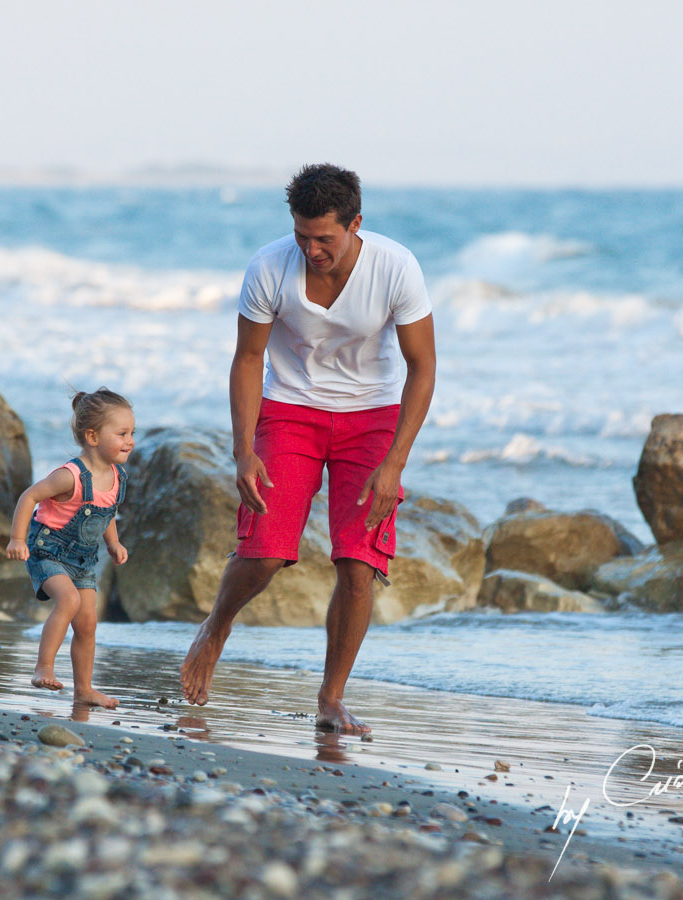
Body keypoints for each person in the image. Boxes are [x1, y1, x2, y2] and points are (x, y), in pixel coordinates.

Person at [180, 163, 437, 734]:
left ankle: (331, 697)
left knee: (358, 562)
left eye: (325, 237)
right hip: (291, 409)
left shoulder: (396, 267)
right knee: (267, 550)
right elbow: (248, 359)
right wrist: (243, 450)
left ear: (355, 224)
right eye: (302, 235)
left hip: (371, 416)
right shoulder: (270, 266)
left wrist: (394, 464)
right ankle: (216, 626)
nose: (312, 249)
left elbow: (423, 368)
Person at [6, 389, 134, 709]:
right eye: (121, 434)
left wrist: (113, 542)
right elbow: (29, 497)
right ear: (92, 436)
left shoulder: (118, 476)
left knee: (88, 622)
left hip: (83, 560)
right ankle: (43, 667)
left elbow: (106, 513)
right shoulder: (70, 476)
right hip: (47, 550)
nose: (130, 440)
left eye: (132, 433)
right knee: (69, 600)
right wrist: (17, 539)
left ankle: (84, 689)